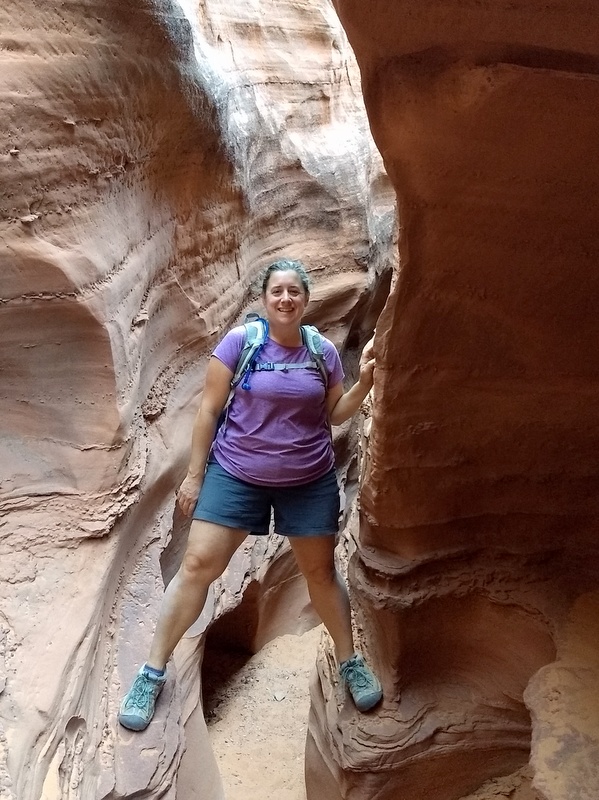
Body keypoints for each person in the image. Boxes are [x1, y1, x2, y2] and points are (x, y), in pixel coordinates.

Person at [118, 258, 382, 731]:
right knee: (197, 566)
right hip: (237, 473)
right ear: (265, 299)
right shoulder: (241, 344)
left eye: (294, 292)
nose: (286, 299)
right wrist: (196, 476)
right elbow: (208, 411)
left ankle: (350, 663)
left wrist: (364, 382)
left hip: (307, 478)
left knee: (320, 573)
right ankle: (152, 671)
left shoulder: (321, 351)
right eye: (277, 291)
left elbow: (336, 414)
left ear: (305, 300)